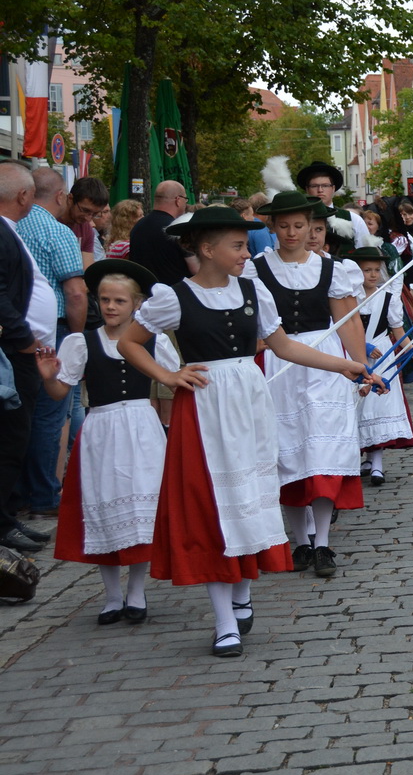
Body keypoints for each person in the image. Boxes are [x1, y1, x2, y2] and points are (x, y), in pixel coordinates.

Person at [120, 205, 380, 657]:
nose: (247, 253)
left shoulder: (253, 291)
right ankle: (224, 620)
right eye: (238, 246)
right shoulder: (174, 297)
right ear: (207, 249)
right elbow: (129, 342)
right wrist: (168, 375)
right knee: (211, 505)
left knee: (249, 499)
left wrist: (345, 366)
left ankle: (242, 590)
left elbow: (284, 346)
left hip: (250, 402)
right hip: (204, 409)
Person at [39, 259, 176, 624]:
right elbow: (59, 392)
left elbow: (174, 381)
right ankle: (112, 595)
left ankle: (137, 590)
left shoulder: (154, 341)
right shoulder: (81, 342)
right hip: (101, 429)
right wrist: (48, 378)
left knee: (141, 510)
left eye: (119, 300)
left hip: (142, 428)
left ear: (136, 304)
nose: (111, 307)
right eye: (104, 300)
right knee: (102, 506)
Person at [245, 193, 370, 579]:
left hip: (324, 363)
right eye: (283, 226)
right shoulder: (255, 268)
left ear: (311, 225)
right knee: (286, 452)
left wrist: (361, 367)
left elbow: (347, 321)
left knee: (321, 451)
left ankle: (322, 543)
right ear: (272, 226)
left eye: (299, 225)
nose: (292, 233)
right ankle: (299, 541)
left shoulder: (331, 268)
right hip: (277, 364)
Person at [18, 167, 87, 520]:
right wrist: (77, 338)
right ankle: (44, 494)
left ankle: (17, 493)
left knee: (20, 412)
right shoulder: (56, 231)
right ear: (61, 196)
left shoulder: (12, 226)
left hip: (15, 332)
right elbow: (75, 292)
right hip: (53, 333)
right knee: (50, 413)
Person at [0, 160, 55, 554]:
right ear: (22, 196)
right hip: (13, 353)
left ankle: (6, 515)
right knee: (10, 440)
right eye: (32, 196)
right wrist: (22, 338)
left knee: (15, 439)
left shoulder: (9, 231)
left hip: (22, 351)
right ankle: (2, 525)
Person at [351, 246, 413, 483]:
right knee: (358, 408)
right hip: (353, 355)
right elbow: (341, 328)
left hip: (381, 358)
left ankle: (377, 462)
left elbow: (397, 329)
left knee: (377, 406)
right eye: (366, 270)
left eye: (376, 270)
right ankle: (366, 458)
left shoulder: (387, 297)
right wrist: (364, 346)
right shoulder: (348, 298)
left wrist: (411, 349)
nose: (372, 275)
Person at [296, 161, 366, 258]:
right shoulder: (297, 219)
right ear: (307, 189)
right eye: (314, 186)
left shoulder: (354, 219)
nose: (320, 190)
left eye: (325, 186)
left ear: (333, 188)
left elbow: (366, 253)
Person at [69, 176, 109, 266]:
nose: (88, 219)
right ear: (70, 199)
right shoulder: (54, 223)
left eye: (95, 214)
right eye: (85, 210)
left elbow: (87, 268)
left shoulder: (86, 229)